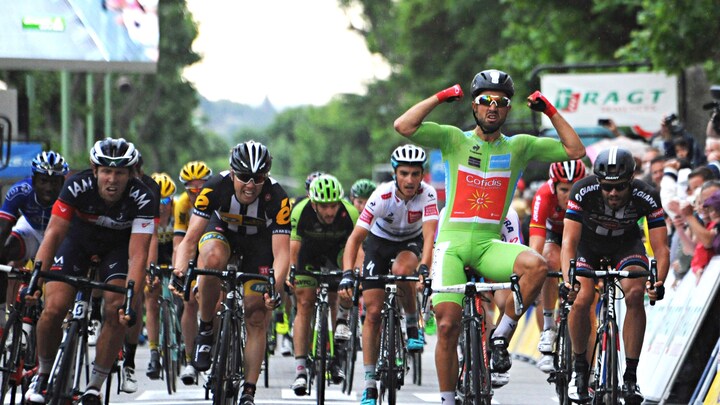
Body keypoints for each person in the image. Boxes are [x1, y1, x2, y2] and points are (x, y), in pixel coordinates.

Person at [392, 69, 585, 404]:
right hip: (451, 246)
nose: (492, 107)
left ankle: (500, 338)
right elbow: (403, 126)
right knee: (447, 326)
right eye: (485, 100)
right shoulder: (454, 139)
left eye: (501, 102)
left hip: (487, 245)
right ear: (474, 106)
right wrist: (442, 96)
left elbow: (576, 150)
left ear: (508, 109)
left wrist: (550, 110)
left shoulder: (520, 146)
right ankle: (447, 399)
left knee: (537, 266)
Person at [24, 138, 155, 405]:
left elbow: (138, 254)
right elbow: (54, 234)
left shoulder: (143, 197)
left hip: (116, 250)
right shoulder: (76, 185)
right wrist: (36, 279)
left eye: (119, 173)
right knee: (53, 309)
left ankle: (94, 386)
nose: (112, 179)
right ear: (95, 170)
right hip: (77, 243)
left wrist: (131, 299)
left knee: (116, 309)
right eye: (106, 171)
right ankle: (43, 373)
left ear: (130, 174)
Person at [172, 140, 289, 405]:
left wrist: (275, 285)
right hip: (222, 233)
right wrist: (179, 271)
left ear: (266, 176)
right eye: (244, 177)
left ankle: (249, 390)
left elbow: (282, 253)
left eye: (258, 178)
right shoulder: (215, 186)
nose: (251, 185)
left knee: (256, 314)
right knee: (211, 259)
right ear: (232, 172)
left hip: (259, 244)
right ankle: (206, 328)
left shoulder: (277, 197)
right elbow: (190, 240)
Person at [561, 147, 669, 404]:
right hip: (587, 246)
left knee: (635, 293)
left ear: (631, 179)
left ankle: (630, 377)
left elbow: (661, 248)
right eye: (607, 187)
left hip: (626, 245)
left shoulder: (647, 195)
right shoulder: (583, 190)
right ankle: (580, 369)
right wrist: (568, 281)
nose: (613, 193)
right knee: (582, 297)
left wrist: (658, 281)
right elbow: (568, 242)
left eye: (620, 186)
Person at [339, 144, 439, 404]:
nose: (410, 180)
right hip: (379, 244)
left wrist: (425, 266)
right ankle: (370, 383)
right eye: (404, 173)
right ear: (395, 174)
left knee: (402, 270)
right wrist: (347, 273)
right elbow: (355, 239)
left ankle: (412, 324)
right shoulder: (381, 195)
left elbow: (430, 236)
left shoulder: (428, 194)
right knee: (373, 312)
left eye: (415, 174)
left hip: (410, 242)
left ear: (422, 175)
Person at [287, 174, 359, 395]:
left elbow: (357, 248)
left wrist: (354, 275)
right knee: (305, 303)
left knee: (343, 292)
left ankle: (338, 345)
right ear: (314, 203)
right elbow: (293, 247)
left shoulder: (350, 213)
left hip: (338, 255)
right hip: (308, 256)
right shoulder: (300, 211)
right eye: (324, 206)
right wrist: (291, 272)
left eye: (334, 206)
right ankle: (300, 370)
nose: (330, 212)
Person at [529, 160, 586, 373]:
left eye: (574, 189)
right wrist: (534, 268)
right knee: (547, 261)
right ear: (554, 186)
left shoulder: (590, 194)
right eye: (563, 190)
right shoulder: (543, 195)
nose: (570, 196)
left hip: (581, 235)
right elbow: (536, 237)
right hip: (554, 234)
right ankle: (548, 329)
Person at [0, 151, 68, 330]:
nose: (49, 187)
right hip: (30, 229)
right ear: (34, 179)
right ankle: (3, 313)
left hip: (59, 235)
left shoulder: (70, 195)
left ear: (62, 182)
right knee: (5, 254)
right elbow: (3, 228)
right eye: (43, 181)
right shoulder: (20, 190)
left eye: (54, 182)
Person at [173, 160, 213, 385]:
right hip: (191, 247)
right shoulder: (182, 204)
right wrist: (178, 272)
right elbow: (179, 242)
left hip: (214, 247)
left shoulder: (214, 198)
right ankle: (190, 359)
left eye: (201, 188)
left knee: (215, 300)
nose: (196, 194)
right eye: (191, 190)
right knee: (189, 301)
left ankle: (215, 348)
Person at [145, 172, 177, 379]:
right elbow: (149, 244)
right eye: (158, 201)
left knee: (184, 294)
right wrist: (150, 271)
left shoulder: (179, 211)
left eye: (165, 201)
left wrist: (180, 270)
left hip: (173, 253)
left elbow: (181, 244)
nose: (161, 206)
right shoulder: (146, 213)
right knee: (151, 296)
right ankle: (154, 352)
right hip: (153, 254)